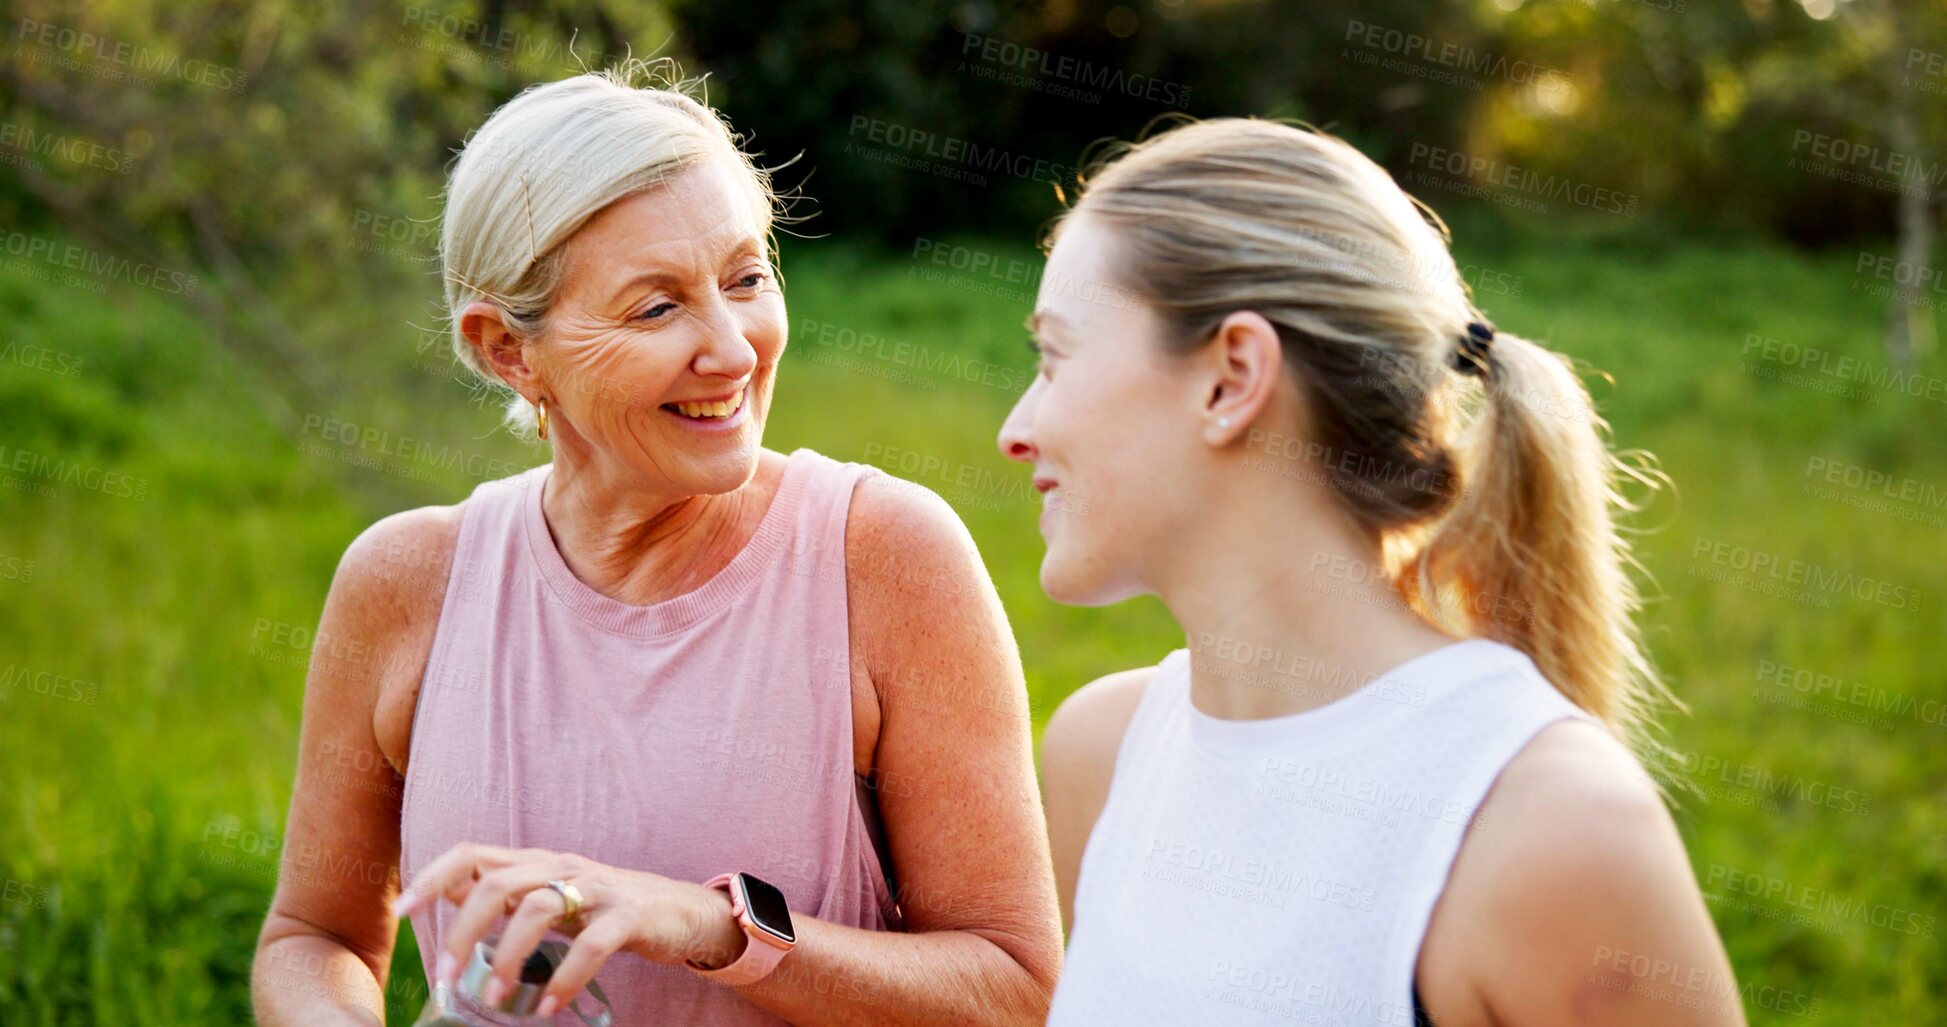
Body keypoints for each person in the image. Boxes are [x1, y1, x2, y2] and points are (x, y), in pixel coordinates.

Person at [251, 66, 1062, 1025]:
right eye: (655, 307)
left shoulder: (884, 554)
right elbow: (317, 935)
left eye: (746, 277)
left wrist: (713, 927)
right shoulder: (406, 580)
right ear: (508, 351)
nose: (732, 348)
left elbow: (1013, 990)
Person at [1000, 118, 1745, 1026]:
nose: (1016, 428)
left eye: (1053, 356)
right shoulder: (1104, 753)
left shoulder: (1550, 827)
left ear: (1231, 377)